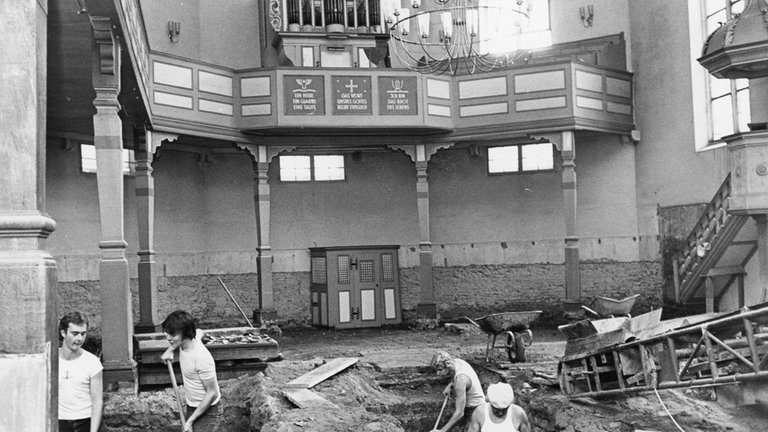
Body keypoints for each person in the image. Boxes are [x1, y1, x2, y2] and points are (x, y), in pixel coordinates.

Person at [161, 310, 221, 432]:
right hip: (192, 406)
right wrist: (171, 349)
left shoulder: (201, 357)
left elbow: (212, 393)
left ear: (185, 333)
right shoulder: (189, 341)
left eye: (172, 334)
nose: (168, 338)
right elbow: (199, 332)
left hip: (209, 411)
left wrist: (190, 421)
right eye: (167, 333)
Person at [58, 311, 103, 432]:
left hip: (85, 421)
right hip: (60, 422)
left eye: (83, 334)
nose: (79, 339)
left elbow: (97, 401)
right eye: (75, 334)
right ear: (63, 333)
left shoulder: (92, 362)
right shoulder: (51, 360)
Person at [429, 351, 486, 432]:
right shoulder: (458, 362)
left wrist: (442, 431)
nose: (438, 374)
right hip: (475, 406)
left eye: (440, 370)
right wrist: (450, 385)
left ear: (447, 365)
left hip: (474, 411)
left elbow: (459, 413)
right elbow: (456, 375)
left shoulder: (460, 380)